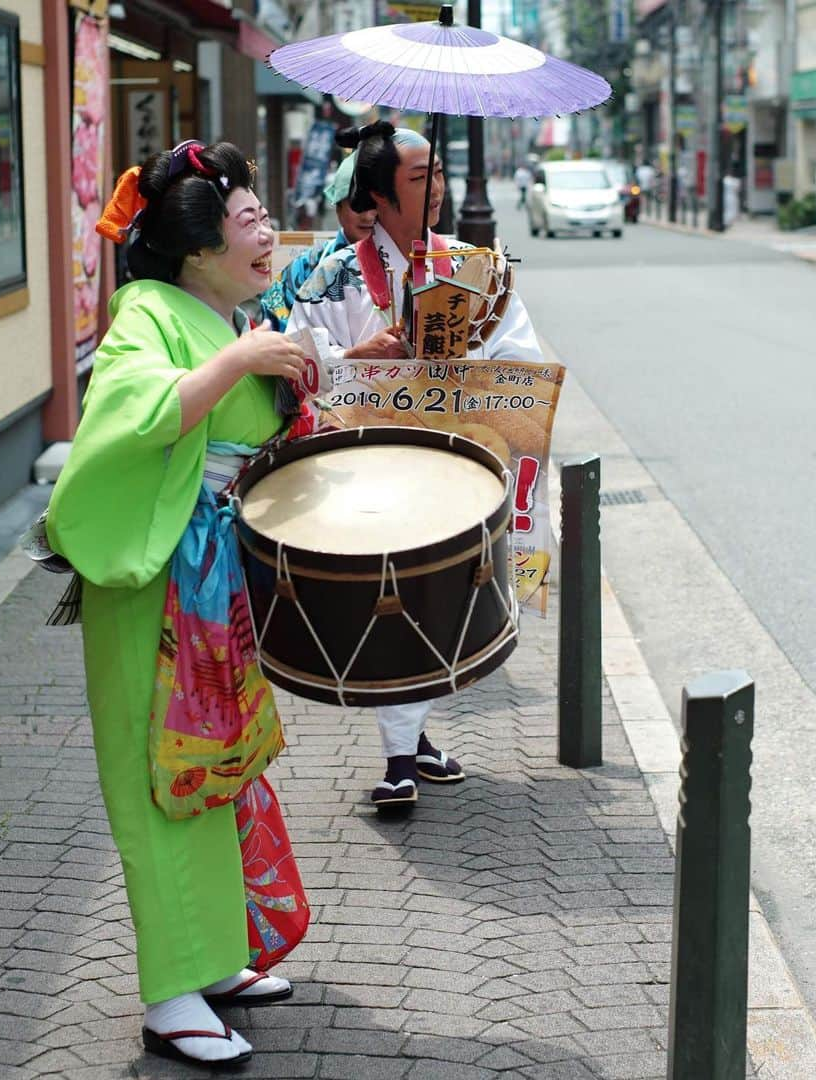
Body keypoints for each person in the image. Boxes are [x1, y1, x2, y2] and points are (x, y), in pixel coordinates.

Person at [45, 141, 310, 1068]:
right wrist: (240, 360)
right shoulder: (146, 313)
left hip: (209, 576)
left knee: (215, 765)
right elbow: (131, 417)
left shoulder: (227, 312)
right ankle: (168, 994)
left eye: (264, 215)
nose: (268, 230)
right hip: (154, 578)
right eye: (248, 220)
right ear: (197, 248)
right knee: (156, 779)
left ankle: (215, 958)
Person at [286, 121, 545, 810]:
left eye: (438, 173)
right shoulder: (330, 274)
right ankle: (402, 754)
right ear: (374, 195)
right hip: (366, 469)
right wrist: (355, 358)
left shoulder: (474, 268)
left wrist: (470, 364)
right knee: (389, 598)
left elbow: (522, 362)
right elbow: (292, 369)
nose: (437, 189)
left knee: (435, 601)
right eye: (417, 177)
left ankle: (412, 741)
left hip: (450, 466)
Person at [260, 150, 376, 332]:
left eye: (376, 204)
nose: (369, 215)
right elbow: (275, 337)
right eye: (357, 204)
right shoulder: (303, 269)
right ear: (337, 206)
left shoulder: (416, 263)